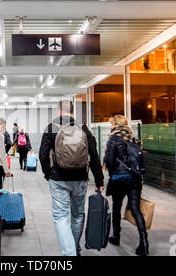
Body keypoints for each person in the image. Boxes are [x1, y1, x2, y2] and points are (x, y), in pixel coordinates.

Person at [39, 100, 104, 256]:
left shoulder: (51, 127)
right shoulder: (83, 127)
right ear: (73, 112)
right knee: (78, 214)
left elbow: (42, 155)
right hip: (80, 177)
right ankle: (74, 248)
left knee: (61, 217)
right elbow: (94, 155)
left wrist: (48, 174)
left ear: (58, 111)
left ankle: (70, 253)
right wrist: (99, 180)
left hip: (59, 178)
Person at [104, 115, 149, 256]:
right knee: (136, 209)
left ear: (115, 125)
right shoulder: (133, 139)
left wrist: (112, 171)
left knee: (116, 208)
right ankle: (144, 242)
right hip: (135, 180)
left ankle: (116, 237)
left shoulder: (113, 139)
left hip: (119, 179)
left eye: (111, 124)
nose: (110, 127)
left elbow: (109, 161)